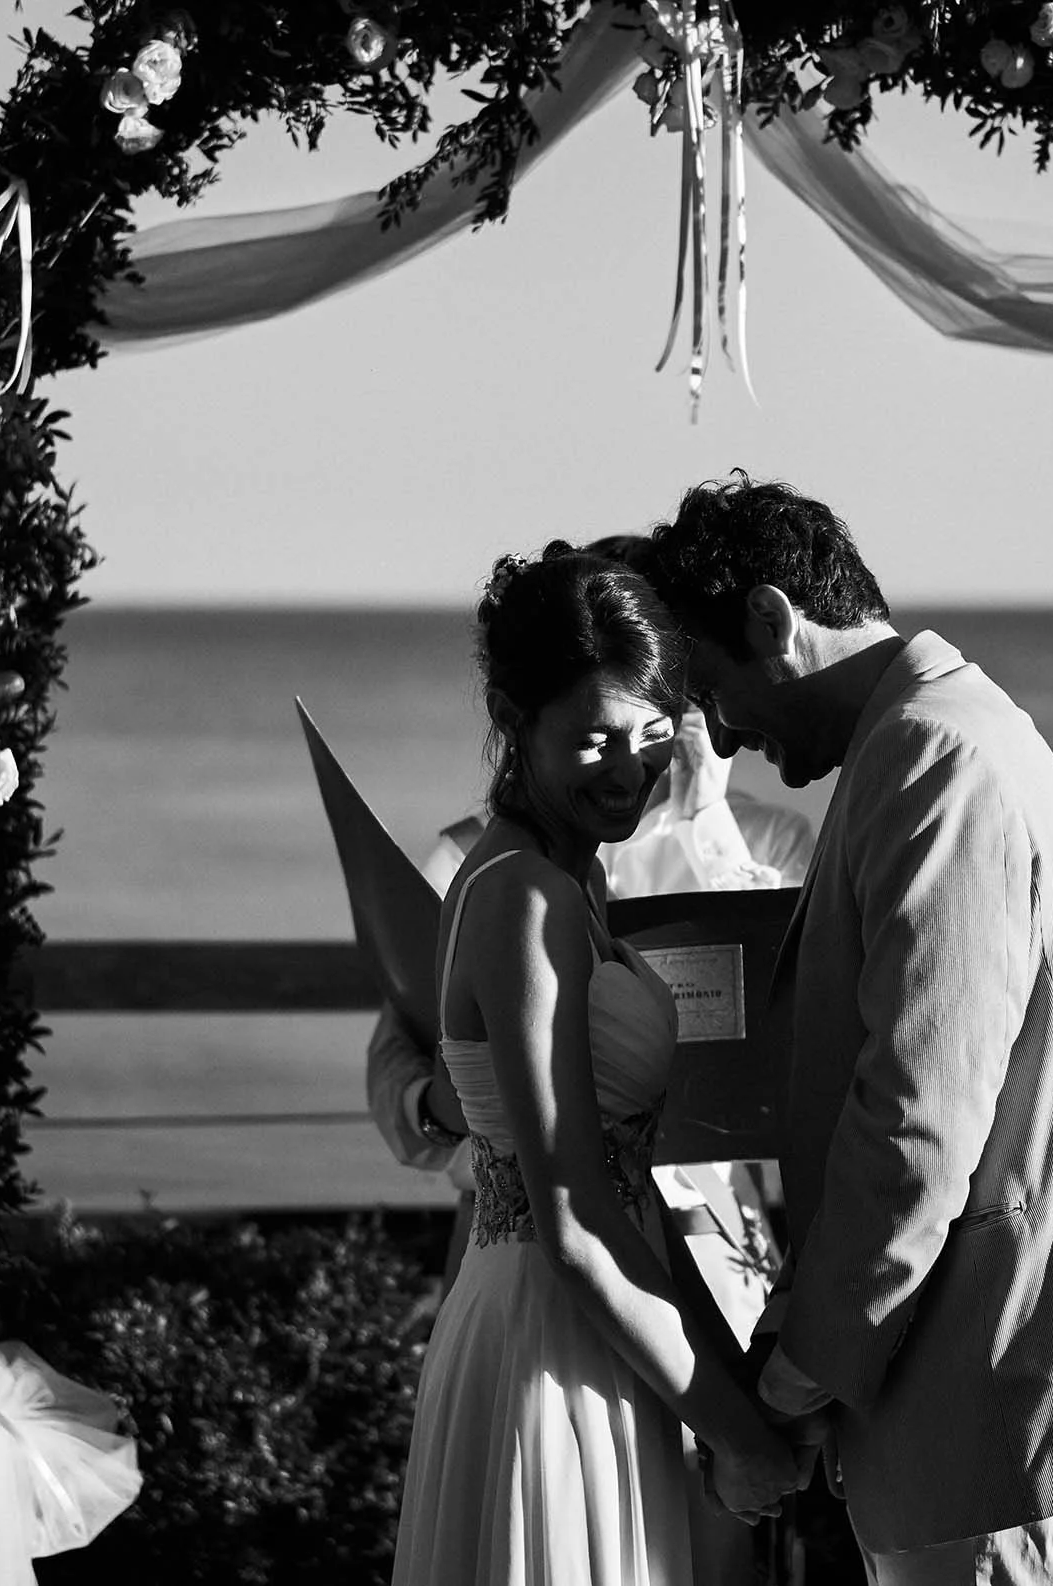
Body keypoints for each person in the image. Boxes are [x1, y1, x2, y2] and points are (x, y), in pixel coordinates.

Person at [646, 477, 1053, 1584]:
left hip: (990, 1382)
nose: (718, 730)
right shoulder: (934, 736)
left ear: (774, 620)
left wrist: (793, 1374)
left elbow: (917, 1121)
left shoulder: (932, 758)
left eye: (713, 689)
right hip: (974, 1380)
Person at [390, 543, 808, 1586]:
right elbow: (574, 1222)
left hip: (601, 1325)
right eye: (591, 739)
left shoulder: (561, 875)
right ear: (512, 715)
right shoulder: (521, 894)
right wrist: (740, 1433)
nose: (628, 768)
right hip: (553, 1330)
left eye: (653, 733)